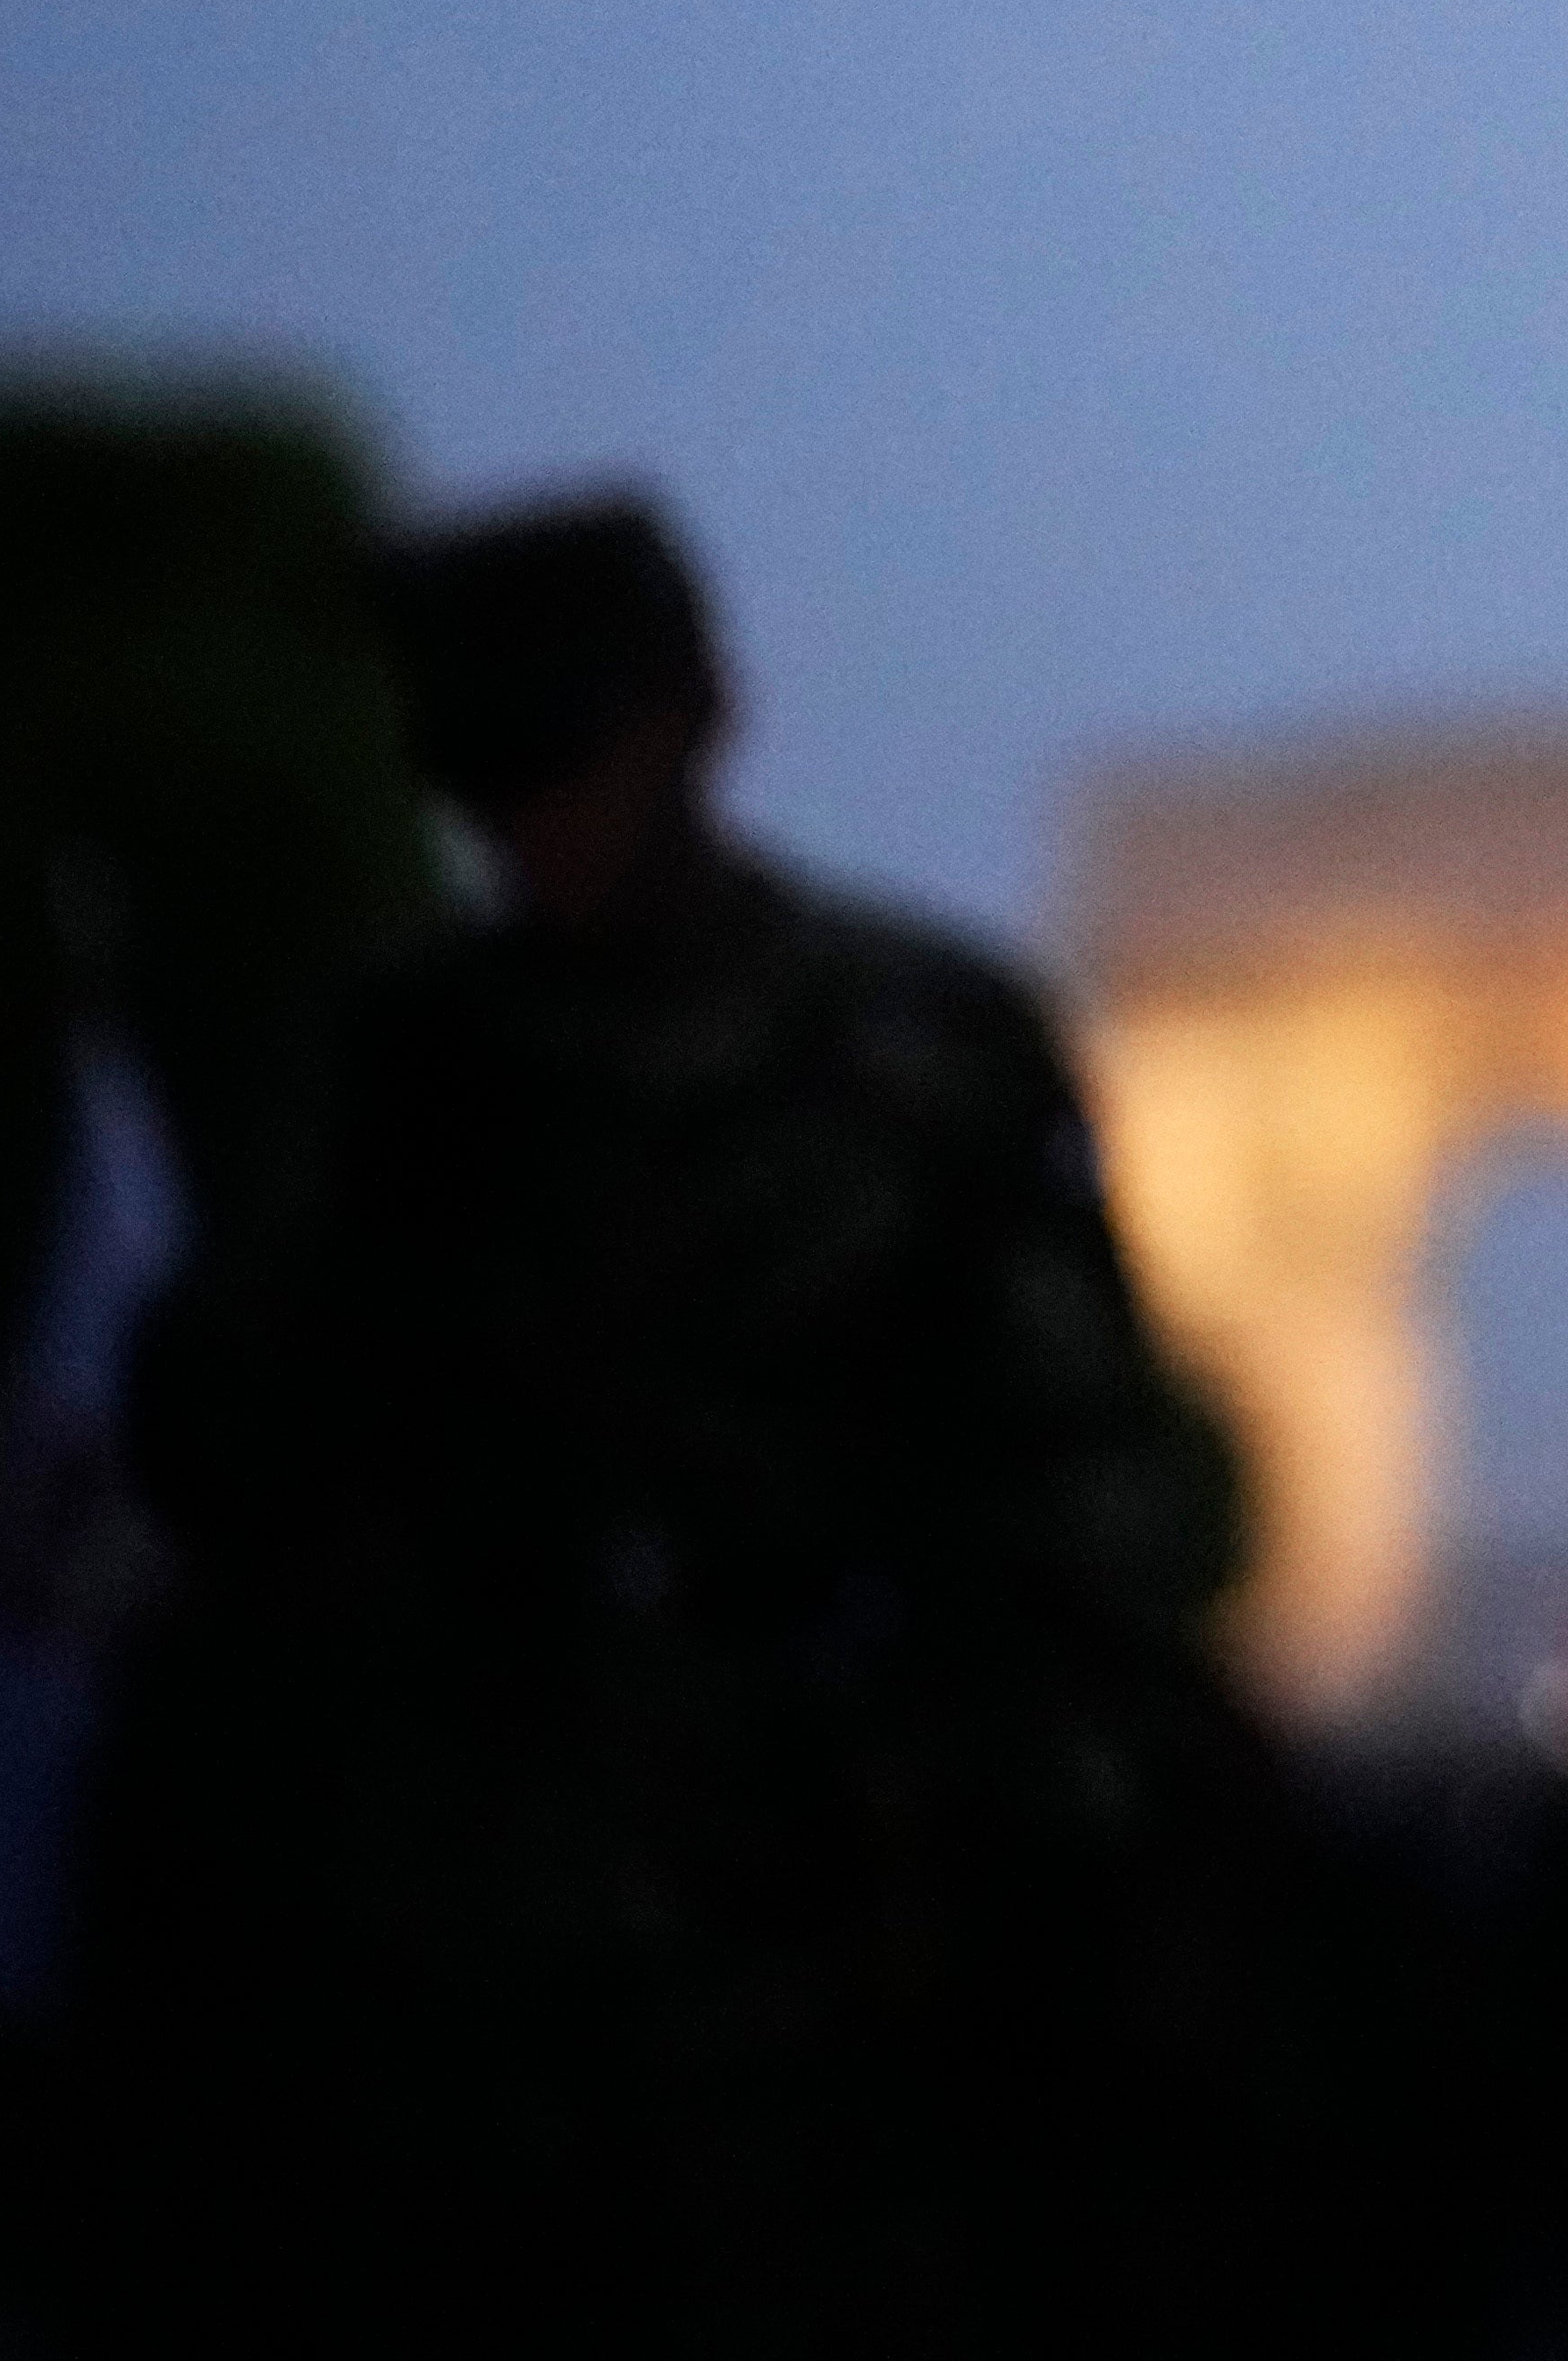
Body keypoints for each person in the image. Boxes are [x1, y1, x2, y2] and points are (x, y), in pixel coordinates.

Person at [90, 493, 1282, 2356]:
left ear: (695, 717)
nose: (525, 820)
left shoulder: (929, 1047)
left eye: (558, 749)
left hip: (857, 1958)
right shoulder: (385, 1068)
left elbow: (1084, 1512)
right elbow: (229, 1462)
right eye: (477, 765)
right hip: (473, 1969)